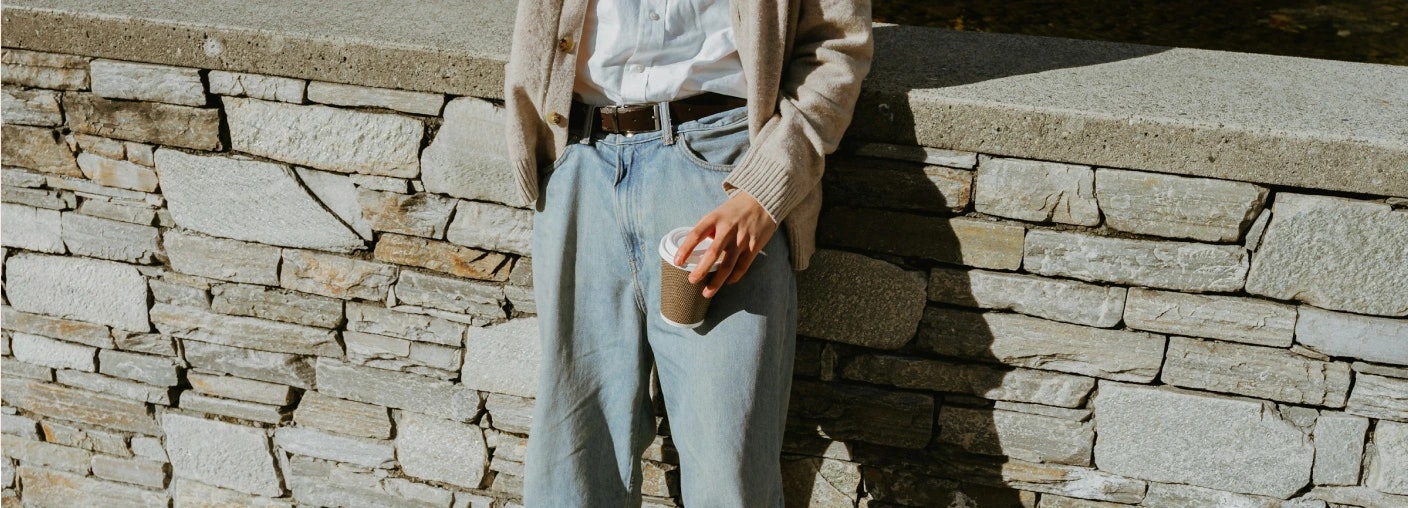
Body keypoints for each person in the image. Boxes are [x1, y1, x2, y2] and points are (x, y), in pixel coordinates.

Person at [502, 0, 873, 505]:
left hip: (723, 179)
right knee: (569, 470)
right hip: (578, 164)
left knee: (729, 473)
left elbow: (837, 45)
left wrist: (765, 189)